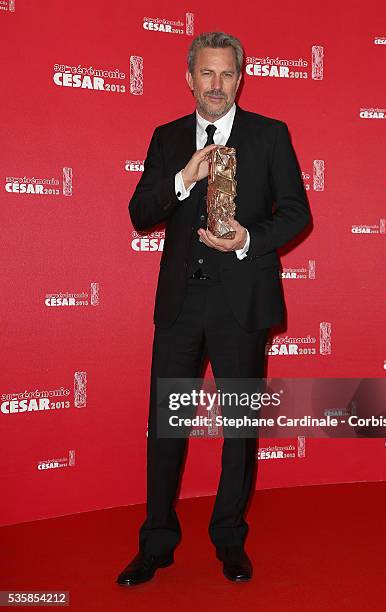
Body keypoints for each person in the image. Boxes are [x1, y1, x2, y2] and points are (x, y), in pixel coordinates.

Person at [117, 31, 311, 586]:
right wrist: (185, 178)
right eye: (207, 73)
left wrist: (249, 238)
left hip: (240, 303)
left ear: (240, 78)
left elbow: (297, 213)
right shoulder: (168, 138)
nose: (217, 85)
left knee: (239, 429)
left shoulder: (270, 136)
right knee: (167, 427)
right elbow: (139, 212)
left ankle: (229, 539)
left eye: (227, 74)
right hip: (180, 305)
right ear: (189, 78)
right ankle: (156, 543)